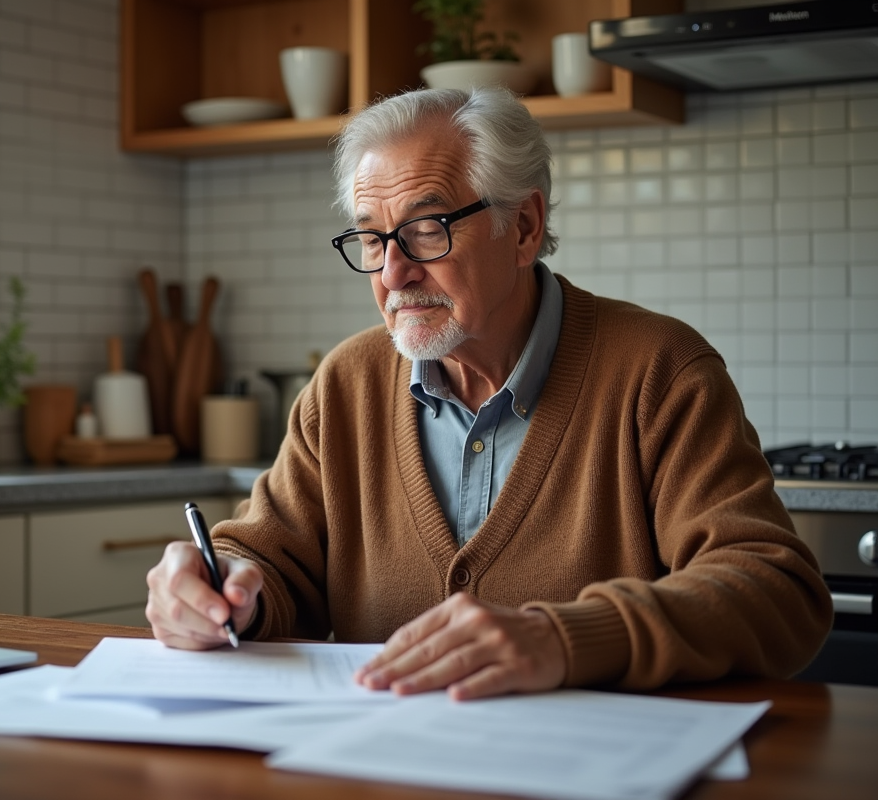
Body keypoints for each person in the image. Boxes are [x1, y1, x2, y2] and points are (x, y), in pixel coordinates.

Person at [146, 87, 832, 700]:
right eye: (372, 237)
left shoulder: (659, 370)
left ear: (525, 227)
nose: (394, 272)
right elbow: (272, 560)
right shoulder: (346, 382)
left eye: (426, 228)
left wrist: (564, 640)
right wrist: (220, 589)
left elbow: (775, 590)